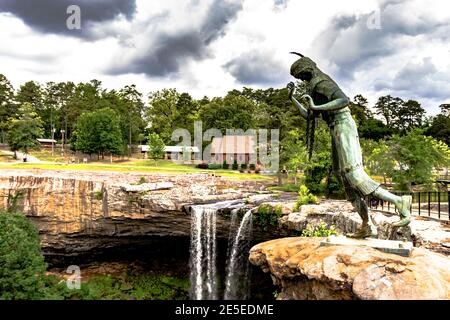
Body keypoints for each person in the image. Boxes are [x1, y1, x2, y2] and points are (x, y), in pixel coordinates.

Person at [287, 53, 411, 238]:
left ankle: (399, 201)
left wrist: (318, 107)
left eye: (302, 76)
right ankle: (366, 225)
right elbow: (309, 115)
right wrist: (292, 98)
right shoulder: (314, 86)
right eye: (299, 78)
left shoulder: (321, 82)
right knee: (343, 177)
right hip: (335, 129)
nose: (302, 80)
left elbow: (344, 100)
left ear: (308, 69)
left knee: (354, 174)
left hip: (343, 125)